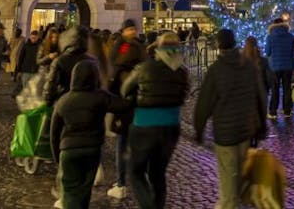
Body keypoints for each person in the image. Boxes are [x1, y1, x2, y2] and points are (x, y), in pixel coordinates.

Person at [194, 29, 267, 209]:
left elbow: (204, 102)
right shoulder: (249, 66)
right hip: (245, 130)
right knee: (241, 174)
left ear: (219, 45)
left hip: (225, 134)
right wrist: (261, 124)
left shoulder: (216, 70)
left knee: (228, 181)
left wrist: (199, 128)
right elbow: (260, 96)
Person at [121, 32, 190, 209]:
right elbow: (184, 95)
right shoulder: (182, 71)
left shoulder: (144, 68)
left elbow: (125, 90)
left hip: (144, 123)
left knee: (136, 171)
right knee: (158, 173)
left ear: (159, 47)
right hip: (171, 125)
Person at [50, 60, 127, 209]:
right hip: (92, 149)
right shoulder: (100, 96)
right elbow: (123, 105)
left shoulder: (63, 101)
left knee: (71, 190)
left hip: (69, 150)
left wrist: (56, 156)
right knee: (85, 190)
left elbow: (54, 133)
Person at [107, 19, 147, 200]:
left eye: (134, 29)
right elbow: (117, 65)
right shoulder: (123, 46)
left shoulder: (135, 46)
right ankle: (122, 181)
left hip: (133, 103)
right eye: (129, 29)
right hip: (126, 104)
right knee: (124, 144)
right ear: (123, 31)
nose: (132, 32)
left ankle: (127, 182)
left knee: (129, 143)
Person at [265, 18, 294, 119]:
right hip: (288, 67)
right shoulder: (291, 37)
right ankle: (287, 111)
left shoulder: (270, 37)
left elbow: (267, 52)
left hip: (274, 67)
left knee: (275, 89)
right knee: (287, 89)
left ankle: (273, 112)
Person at [14, 30, 42, 95]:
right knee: (25, 88)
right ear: (30, 37)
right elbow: (21, 57)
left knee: (34, 89)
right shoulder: (26, 45)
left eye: (35, 38)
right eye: (32, 38)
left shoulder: (41, 46)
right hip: (26, 70)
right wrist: (18, 70)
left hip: (36, 71)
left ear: (38, 37)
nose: (33, 39)